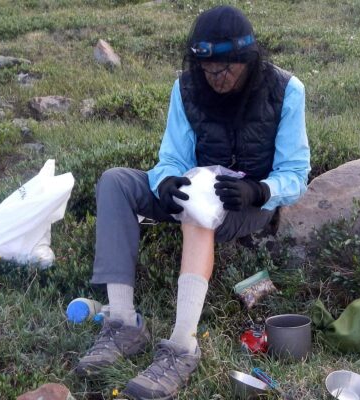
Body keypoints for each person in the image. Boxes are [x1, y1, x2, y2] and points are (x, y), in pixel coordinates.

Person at [75, 5, 310, 399]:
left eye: (226, 69)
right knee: (116, 181)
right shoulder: (186, 87)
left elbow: (296, 173)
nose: (216, 79)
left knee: (200, 213)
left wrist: (260, 190)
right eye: (208, 70)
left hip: (246, 205)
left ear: (248, 61)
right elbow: (172, 155)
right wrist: (165, 180)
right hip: (195, 188)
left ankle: (183, 346)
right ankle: (122, 321)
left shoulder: (286, 90)